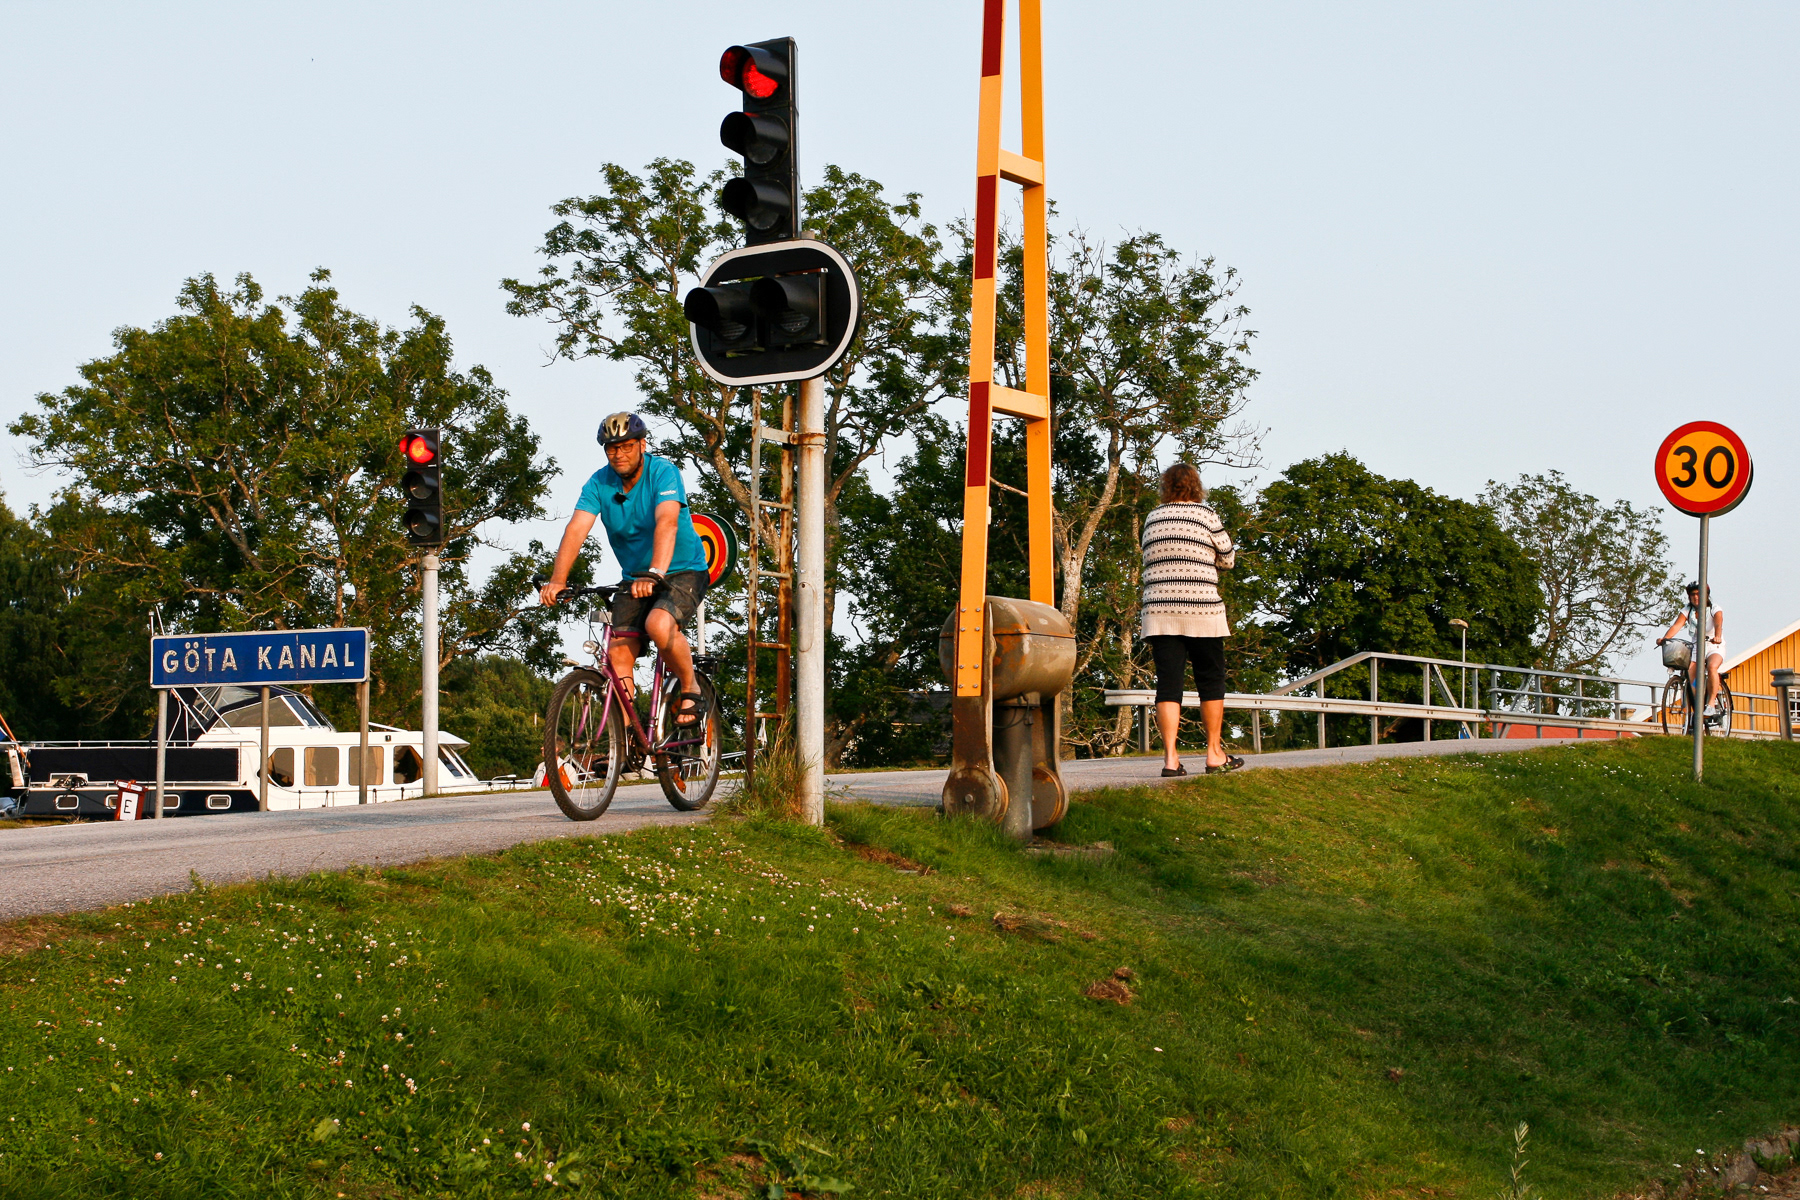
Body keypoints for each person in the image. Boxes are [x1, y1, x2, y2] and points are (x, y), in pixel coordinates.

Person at [539, 413, 712, 725]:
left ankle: (691, 687)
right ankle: (629, 736)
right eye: (611, 448)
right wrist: (558, 580)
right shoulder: (599, 482)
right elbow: (576, 530)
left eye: (626, 446)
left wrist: (656, 571)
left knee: (659, 625)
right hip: (635, 578)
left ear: (642, 444)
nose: (618, 454)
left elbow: (667, 522)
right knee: (617, 650)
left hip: (683, 569)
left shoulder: (663, 473)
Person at [1141, 462, 1241, 776]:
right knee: (1210, 681)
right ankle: (1214, 754)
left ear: (1166, 487)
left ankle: (1171, 760)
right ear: (1196, 486)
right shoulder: (1207, 516)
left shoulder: (1152, 518)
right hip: (1203, 610)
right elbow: (1228, 560)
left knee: (1168, 686)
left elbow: (1148, 556)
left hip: (1159, 612)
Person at [1658, 581, 1727, 720]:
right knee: (1691, 675)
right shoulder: (1687, 610)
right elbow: (1677, 625)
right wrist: (1665, 638)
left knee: (1712, 667)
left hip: (1713, 645)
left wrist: (1718, 636)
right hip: (1696, 646)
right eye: (1693, 595)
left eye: (1698, 594)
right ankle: (1697, 706)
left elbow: (1719, 623)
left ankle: (1711, 703)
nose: (1696, 597)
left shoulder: (1714, 608)